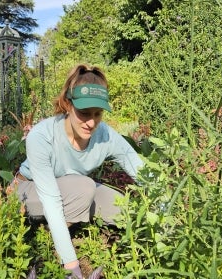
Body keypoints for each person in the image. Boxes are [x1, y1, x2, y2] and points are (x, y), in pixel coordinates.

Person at [14, 63, 144, 278]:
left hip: (73, 191)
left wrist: (171, 216)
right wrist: (72, 266)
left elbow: (143, 172)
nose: (91, 122)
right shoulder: (43, 135)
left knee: (123, 208)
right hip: (28, 191)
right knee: (84, 187)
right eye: (84, 113)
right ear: (68, 104)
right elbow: (51, 199)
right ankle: (43, 245)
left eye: (98, 113)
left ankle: (58, 233)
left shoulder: (105, 135)